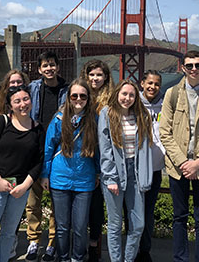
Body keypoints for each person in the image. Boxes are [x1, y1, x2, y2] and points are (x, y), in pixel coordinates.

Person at [159, 50, 199, 262]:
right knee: (179, 218)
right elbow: (164, 132)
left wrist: (197, 162)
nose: (193, 69)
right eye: (189, 66)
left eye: (198, 65)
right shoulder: (172, 94)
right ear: (182, 68)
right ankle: (180, 259)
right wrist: (183, 162)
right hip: (178, 167)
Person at [0, 85, 45, 262]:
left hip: (20, 188)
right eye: (17, 101)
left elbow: (38, 162)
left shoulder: (38, 129)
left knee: (9, 234)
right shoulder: (1, 122)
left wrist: (25, 186)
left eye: (26, 99)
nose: (22, 104)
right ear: (10, 105)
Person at [40, 79, 99, 262]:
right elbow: (49, 148)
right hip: (60, 178)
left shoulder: (94, 119)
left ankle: (78, 258)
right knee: (62, 226)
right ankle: (64, 258)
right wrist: (44, 175)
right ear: (69, 98)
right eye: (74, 95)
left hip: (85, 179)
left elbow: (98, 149)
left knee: (81, 226)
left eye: (83, 95)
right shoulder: (58, 118)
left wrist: (97, 172)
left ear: (88, 98)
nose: (78, 99)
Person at [98, 79, 153, 262]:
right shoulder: (107, 114)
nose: (127, 98)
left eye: (131, 95)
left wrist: (145, 175)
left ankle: (128, 259)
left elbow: (145, 147)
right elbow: (105, 149)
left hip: (136, 172)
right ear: (117, 94)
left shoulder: (140, 115)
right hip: (114, 172)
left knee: (138, 225)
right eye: (124, 94)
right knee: (115, 224)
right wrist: (110, 177)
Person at [25, 51, 68, 262]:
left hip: (58, 153)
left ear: (57, 67)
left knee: (55, 203)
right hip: (35, 151)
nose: (49, 68)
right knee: (33, 202)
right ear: (39, 69)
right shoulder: (32, 88)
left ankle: (52, 243)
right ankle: (33, 241)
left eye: (52, 64)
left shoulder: (68, 91)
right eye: (45, 65)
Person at [80, 59, 114, 262]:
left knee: (96, 206)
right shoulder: (78, 96)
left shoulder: (112, 100)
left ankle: (94, 245)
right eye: (91, 74)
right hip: (82, 157)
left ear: (106, 78)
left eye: (99, 75)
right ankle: (77, 245)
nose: (95, 78)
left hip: (104, 159)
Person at [135, 70, 165, 262]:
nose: (152, 87)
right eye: (149, 83)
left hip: (155, 168)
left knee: (148, 212)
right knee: (133, 211)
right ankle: (132, 249)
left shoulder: (166, 105)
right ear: (142, 84)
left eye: (156, 84)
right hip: (135, 168)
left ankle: (144, 251)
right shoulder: (133, 103)